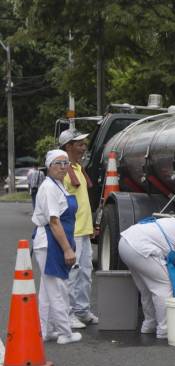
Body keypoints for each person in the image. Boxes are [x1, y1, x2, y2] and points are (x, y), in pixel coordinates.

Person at [32, 150, 81, 344]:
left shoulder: (58, 185)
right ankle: (65, 332)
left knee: (46, 289)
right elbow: (54, 222)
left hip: (52, 241)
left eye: (65, 163)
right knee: (57, 288)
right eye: (58, 163)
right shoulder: (49, 188)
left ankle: (46, 330)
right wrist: (67, 248)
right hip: (51, 242)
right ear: (49, 166)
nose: (63, 167)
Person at [60, 129, 99, 330]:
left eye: (84, 144)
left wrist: (91, 226)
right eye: (80, 144)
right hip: (72, 231)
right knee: (72, 274)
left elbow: (83, 201)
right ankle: (68, 314)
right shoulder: (63, 170)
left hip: (83, 230)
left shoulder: (77, 168)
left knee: (85, 273)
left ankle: (82, 311)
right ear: (68, 146)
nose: (84, 148)